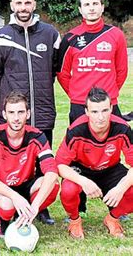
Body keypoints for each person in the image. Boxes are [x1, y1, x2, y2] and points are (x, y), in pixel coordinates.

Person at [0, 0, 61, 224]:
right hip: (13, 113)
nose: (23, 8)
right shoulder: (0, 36)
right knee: (7, 161)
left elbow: (54, 69)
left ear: (34, 4)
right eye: (18, 3)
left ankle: (40, 207)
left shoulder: (50, 34)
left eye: (27, 3)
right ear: (12, 6)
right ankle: (1, 204)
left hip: (42, 109)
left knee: (43, 163)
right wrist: (13, 96)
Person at [56, 87, 133, 239]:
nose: (100, 117)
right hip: (82, 169)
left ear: (111, 108)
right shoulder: (76, 130)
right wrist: (83, 181)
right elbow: (60, 165)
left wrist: (120, 188)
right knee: (68, 189)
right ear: (86, 111)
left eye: (105, 110)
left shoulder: (122, 128)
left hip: (110, 168)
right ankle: (74, 221)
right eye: (95, 112)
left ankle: (112, 219)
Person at [0, 91, 59, 238]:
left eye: (21, 112)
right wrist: (14, 196)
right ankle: (3, 225)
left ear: (28, 114)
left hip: (25, 185)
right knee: (7, 206)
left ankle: (23, 215)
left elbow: (51, 171)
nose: (16, 118)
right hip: (3, 188)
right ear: (4, 115)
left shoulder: (37, 136)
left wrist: (36, 205)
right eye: (11, 112)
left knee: (53, 184)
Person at [57, 0, 128, 124]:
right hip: (80, 104)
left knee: (115, 145)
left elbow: (122, 71)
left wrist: (109, 93)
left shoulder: (116, 35)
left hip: (108, 103)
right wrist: (76, 94)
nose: (91, 8)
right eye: (87, 5)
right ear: (80, 9)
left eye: (95, 4)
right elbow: (62, 73)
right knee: (79, 145)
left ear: (102, 7)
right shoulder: (70, 38)